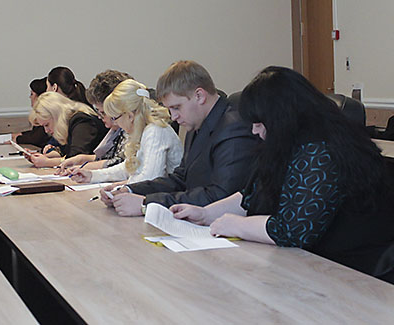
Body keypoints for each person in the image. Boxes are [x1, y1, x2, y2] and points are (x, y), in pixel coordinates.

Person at [171, 66, 394, 282]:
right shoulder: (284, 143)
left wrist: (237, 225)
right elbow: (252, 195)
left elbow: (292, 231)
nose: (254, 130)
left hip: (356, 270)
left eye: (259, 123)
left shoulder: (320, 150)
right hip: (311, 263)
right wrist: (205, 214)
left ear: (281, 118)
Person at [102, 60, 258, 216]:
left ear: (199, 96)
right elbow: (181, 178)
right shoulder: (196, 124)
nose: (173, 116)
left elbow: (220, 196)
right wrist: (130, 190)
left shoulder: (233, 129)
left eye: (176, 107)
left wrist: (147, 203)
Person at [70, 79, 183, 185]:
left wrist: (124, 187)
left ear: (130, 116)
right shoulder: (145, 130)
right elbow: (129, 167)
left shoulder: (155, 131)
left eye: (115, 118)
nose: (115, 123)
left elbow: (150, 178)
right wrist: (93, 176)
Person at [58, 69, 132, 173]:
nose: (100, 117)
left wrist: (85, 168)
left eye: (103, 113)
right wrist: (82, 159)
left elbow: (121, 163)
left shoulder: (131, 128)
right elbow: (109, 158)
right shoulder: (117, 130)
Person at [25, 91, 106, 168]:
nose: (46, 131)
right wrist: (48, 156)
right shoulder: (71, 121)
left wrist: (47, 162)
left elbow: (75, 158)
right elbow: (67, 152)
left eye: (47, 125)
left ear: (56, 116)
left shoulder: (82, 121)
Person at [13, 77, 51, 146]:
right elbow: (35, 133)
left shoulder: (47, 113)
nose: (30, 97)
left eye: (31, 94)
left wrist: (18, 139)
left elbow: (36, 138)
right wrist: (21, 134)